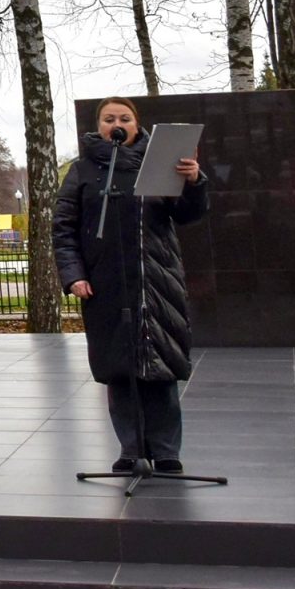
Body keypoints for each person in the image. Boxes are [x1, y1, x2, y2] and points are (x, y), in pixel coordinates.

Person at [53, 95, 208, 474]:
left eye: (124, 117)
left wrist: (193, 182)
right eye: (109, 118)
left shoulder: (160, 163)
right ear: (99, 126)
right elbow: (64, 228)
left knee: (162, 364)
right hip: (106, 283)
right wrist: (74, 275)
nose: (116, 123)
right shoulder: (84, 170)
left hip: (156, 279)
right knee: (119, 368)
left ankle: (166, 450)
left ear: (137, 125)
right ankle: (130, 448)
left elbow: (186, 215)